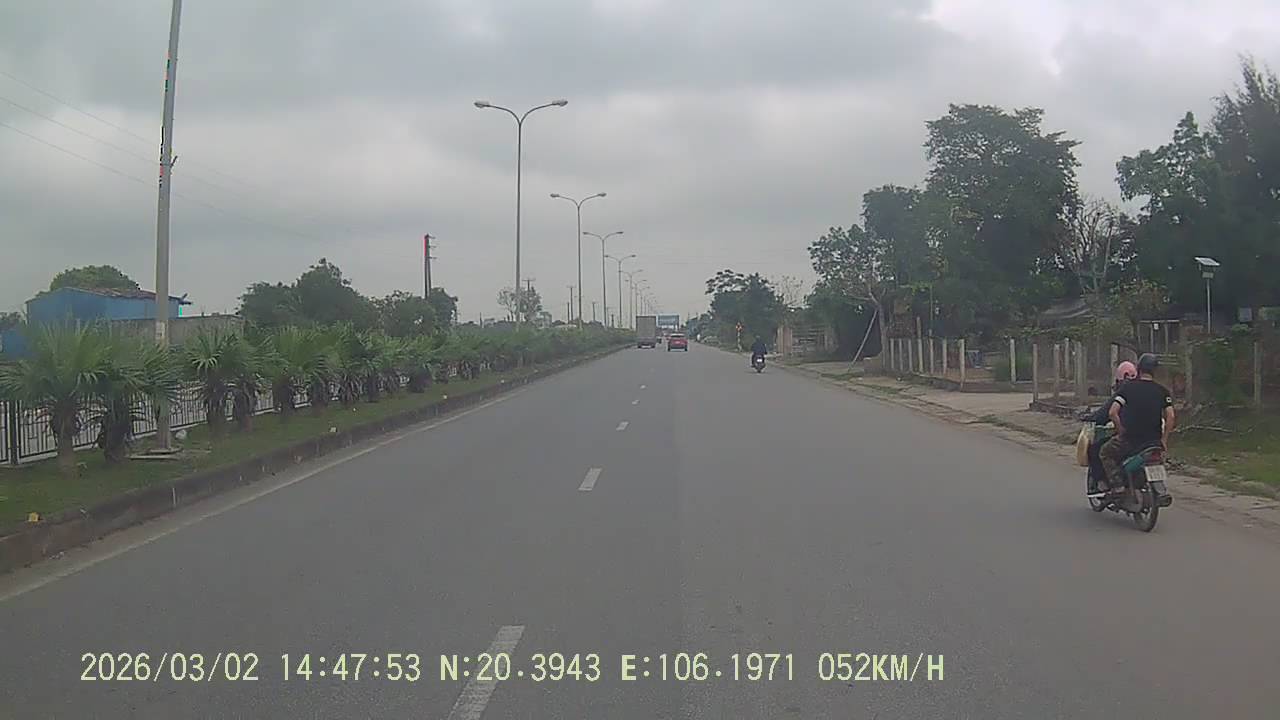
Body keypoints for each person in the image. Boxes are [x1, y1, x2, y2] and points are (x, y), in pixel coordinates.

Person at [1100, 353, 1176, 490]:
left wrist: (1120, 430)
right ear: (1154, 371)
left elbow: (1112, 412)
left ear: (1139, 369)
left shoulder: (1128, 388)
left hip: (1130, 440)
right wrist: (1164, 440)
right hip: (1153, 442)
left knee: (1105, 452)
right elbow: (1171, 416)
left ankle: (1117, 485)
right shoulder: (1163, 391)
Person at [1086, 361, 1137, 496]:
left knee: (1097, 450)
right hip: (1150, 437)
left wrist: (1090, 417)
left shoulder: (1123, 392)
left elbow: (1107, 413)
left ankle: (1108, 483)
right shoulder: (1146, 389)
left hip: (1129, 437)